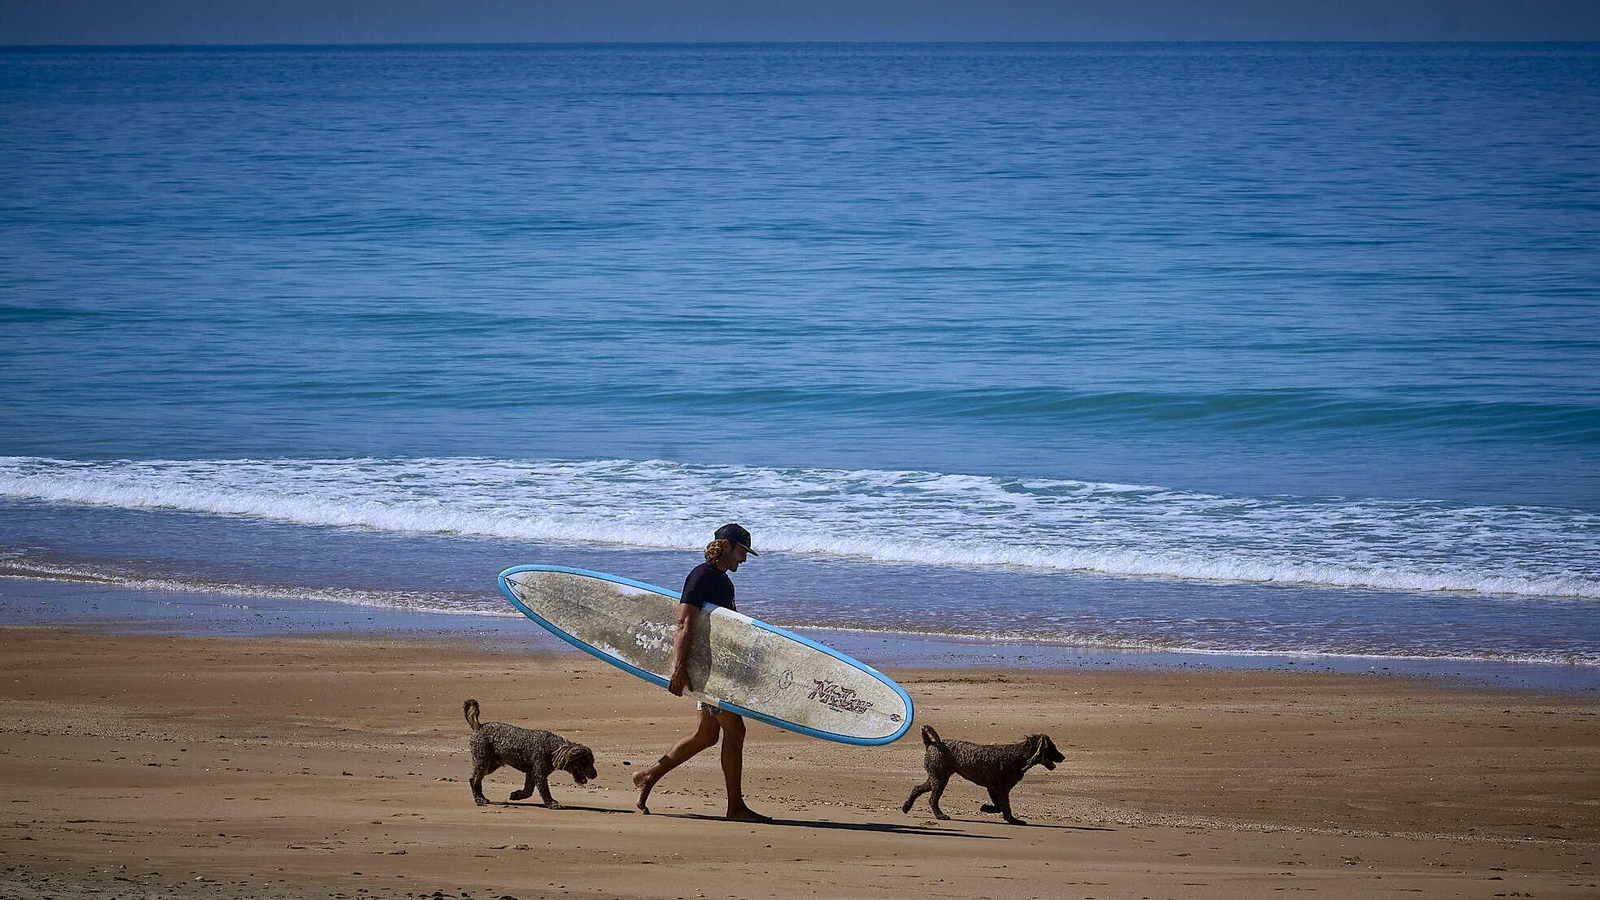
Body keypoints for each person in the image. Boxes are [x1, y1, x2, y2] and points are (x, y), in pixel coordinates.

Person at [631, 523, 771, 823]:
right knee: (736, 731)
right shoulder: (702, 576)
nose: (743, 560)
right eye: (742, 552)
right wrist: (679, 669)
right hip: (706, 672)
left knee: (706, 735)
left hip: (716, 669)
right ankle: (735, 808)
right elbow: (683, 623)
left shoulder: (721, 580)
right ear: (727, 546)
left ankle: (647, 776)